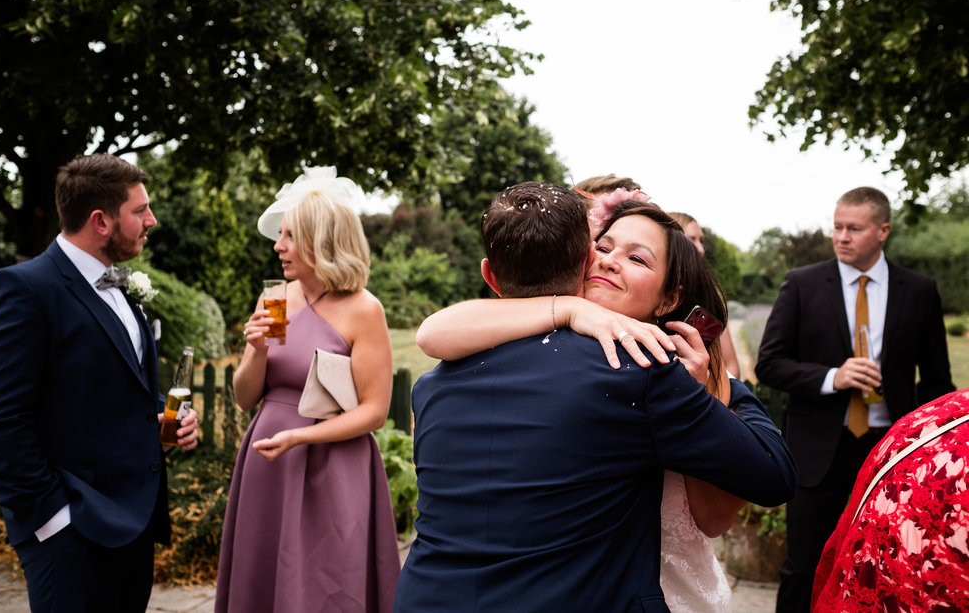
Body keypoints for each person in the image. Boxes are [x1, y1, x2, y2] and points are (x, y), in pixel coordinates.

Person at [393, 182, 796, 610]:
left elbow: (717, 513)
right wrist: (735, 389)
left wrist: (718, 383)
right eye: (603, 247)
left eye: (637, 257)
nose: (611, 262)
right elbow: (775, 475)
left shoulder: (432, 384)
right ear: (586, 259)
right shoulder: (640, 374)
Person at [0, 153, 199, 612]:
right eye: (140, 211)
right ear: (100, 221)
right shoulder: (23, 289)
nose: (151, 221)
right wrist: (53, 519)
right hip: (71, 531)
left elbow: (119, 388)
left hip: (132, 526)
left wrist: (164, 418)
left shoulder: (122, 291)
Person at [754, 186, 955, 613]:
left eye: (854, 228)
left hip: (892, 453)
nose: (841, 237)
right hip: (818, 450)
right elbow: (769, 364)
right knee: (803, 566)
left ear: (882, 231)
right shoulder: (802, 284)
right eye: (837, 227)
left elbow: (938, 381)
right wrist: (832, 376)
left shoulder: (919, 290)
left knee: (885, 565)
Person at [214, 167, 400, 612]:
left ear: (324, 240)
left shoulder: (363, 309)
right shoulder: (275, 298)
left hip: (335, 466)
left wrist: (301, 436)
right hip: (269, 461)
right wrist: (256, 349)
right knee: (264, 577)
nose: (278, 246)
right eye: (280, 235)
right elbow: (244, 397)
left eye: (290, 236)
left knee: (326, 584)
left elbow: (374, 412)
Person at [810, 387, 969, 611]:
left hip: (895, 439)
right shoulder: (929, 422)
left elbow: (935, 377)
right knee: (803, 563)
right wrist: (832, 379)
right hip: (825, 449)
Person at [669, 210, 742, 378]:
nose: (701, 249)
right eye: (692, 239)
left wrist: (713, 392)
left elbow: (731, 365)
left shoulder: (709, 297)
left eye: (701, 240)